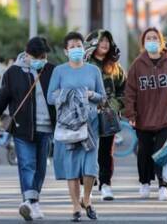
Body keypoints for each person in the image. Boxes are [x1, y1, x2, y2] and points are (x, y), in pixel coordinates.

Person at [0, 36, 56, 221]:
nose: (41, 59)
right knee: (26, 165)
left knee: (40, 167)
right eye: (37, 56)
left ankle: (33, 201)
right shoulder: (13, 73)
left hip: (46, 128)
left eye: (44, 55)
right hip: (22, 128)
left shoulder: (51, 70)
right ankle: (29, 202)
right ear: (27, 54)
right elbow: (1, 100)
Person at [47, 32, 106, 222]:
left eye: (78, 45)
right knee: (71, 166)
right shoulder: (59, 71)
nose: (76, 49)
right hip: (69, 125)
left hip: (90, 124)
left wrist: (89, 94)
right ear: (66, 51)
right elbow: (50, 97)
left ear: (84, 48)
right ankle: (75, 207)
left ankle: (86, 200)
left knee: (90, 167)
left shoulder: (93, 71)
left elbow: (102, 97)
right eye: (71, 47)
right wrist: (70, 94)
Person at [125, 27, 167, 202]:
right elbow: (130, 92)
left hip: (166, 118)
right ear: (143, 43)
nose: (152, 41)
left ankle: (163, 186)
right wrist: (131, 114)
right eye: (148, 38)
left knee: (162, 152)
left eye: (155, 38)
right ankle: (144, 182)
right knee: (144, 152)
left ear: (161, 41)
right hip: (143, 119)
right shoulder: (137, 65)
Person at [84, 29, 126, 202]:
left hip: (108, 114)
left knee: (106, 151)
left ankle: (106, 184)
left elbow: (124, 89)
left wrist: (113, 105)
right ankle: (87, 183)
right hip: (88, 114)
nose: (105, 44)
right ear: (94, 43)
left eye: (108, 41)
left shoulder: (115, 67)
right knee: (87, 149)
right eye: (101, 41)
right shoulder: (85, 64)